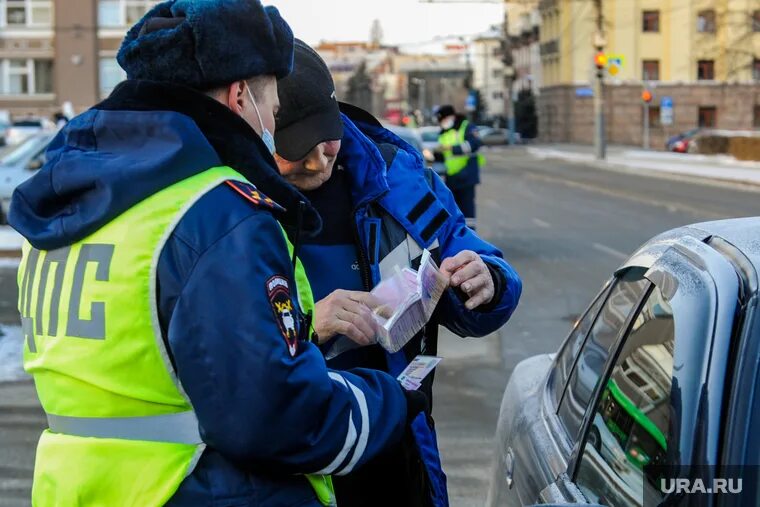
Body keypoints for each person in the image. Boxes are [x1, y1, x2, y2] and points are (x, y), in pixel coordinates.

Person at [9, 2, 425, 506]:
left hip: (78, 489)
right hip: (203, 489)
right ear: (240, 96)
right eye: (272, 105)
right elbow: (279, 419)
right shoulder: (218, 212)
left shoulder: (71, 205)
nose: (272, 121)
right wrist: (389, 400)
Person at [273, 41, 522, 507]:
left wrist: (487, 280)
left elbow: (471, 255)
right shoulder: (230, 201)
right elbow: (221, 352)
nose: (317, 159)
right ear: (258, 130)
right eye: (294, 148)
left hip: (397, 443)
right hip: (295, 456)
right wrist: (307, 325)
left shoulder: (397, 176)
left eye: (325, 137)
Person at [435, 104, 485, 229]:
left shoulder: (466, 127)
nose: (443, 123)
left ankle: (471, 239)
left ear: (452, 116)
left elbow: (475, 143)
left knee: (468, 213)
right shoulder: (443, 133)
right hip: (451, 177)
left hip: (467, 176)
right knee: (453, 212)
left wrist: (453, 148)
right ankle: (457, 238)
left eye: (444, 119)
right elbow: (443, 157)